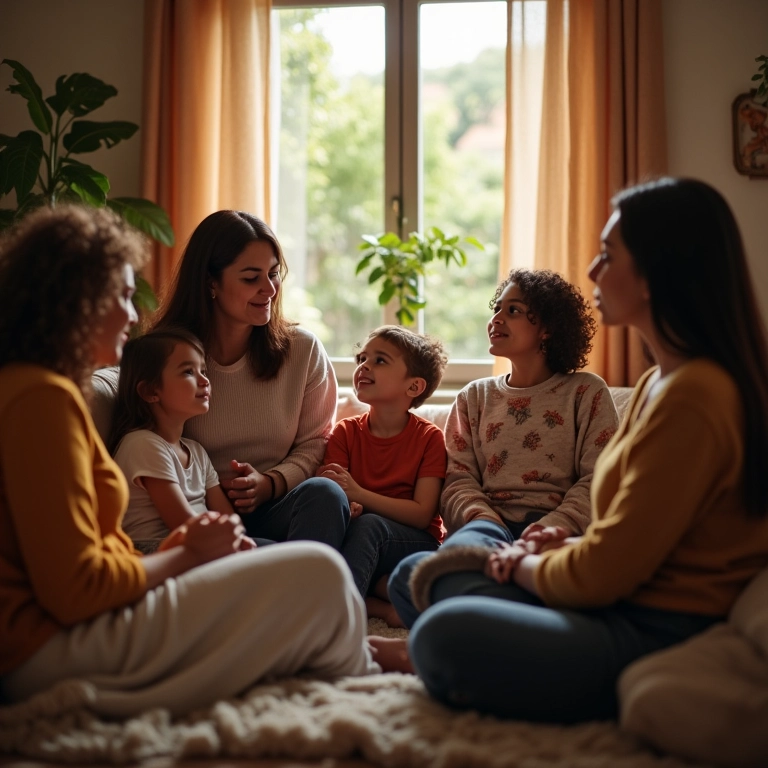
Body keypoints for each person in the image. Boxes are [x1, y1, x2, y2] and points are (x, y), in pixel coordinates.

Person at [371, 178, 768, 725]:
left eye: (608, 255)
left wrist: (530, 561)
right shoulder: (658, 382)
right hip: (608, 594)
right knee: (419, 573)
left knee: (441, 629)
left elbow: (607, 568)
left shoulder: (695, 396)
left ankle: (432, 653)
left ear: (656, 273)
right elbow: (619, 528)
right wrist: (541, 554)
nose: (593, 271)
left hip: (655, 625)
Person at [0, 205, 379, 717]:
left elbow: (85, 563)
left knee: (315, 563)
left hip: (90, 611)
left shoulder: (37, 390)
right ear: (76, 301)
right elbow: (77, 590)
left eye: (273, 276)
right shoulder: (41, 399)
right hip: (46, 643)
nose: (133, 317)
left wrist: (247, 500)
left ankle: (358, 652)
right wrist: (184, 552)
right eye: (123, 296)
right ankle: (356, 662)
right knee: (318, 575)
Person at [385, 268, 619, 629]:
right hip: (488, 527)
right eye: (497, 308)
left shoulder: (587, 392)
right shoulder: (474, 397)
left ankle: (473, 618)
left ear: (547, 327)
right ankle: (509, 614)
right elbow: (458, 480)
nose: (496, 318)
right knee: (409, 577)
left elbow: (600, 479)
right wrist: (483, 520)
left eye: (513, 310)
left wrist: (550, 529)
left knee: (574, 583)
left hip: (558, 533)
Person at [151, 210, 350, 548]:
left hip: (278, 506)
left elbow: (315, 443)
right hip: (197, 512)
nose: (269, 289)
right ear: (210, 282)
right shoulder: (167, 357)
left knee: (325, 494)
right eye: (250, 277)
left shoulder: (302, 350)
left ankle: (299, 589)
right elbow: (152, 446)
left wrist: (270, 483)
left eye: (274, 274)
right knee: (264, 553)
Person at [318, 326, 448, 627]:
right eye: (362, 358)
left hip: (413, 542)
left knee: (370, 526)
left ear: (414, 387)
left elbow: (421, 514)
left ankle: (332, 615)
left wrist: (360, 496)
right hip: (361, 539)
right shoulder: (345, 431)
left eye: (379, 360)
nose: (364, 366)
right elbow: (336, 490)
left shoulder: (429, 439)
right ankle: (381, 605)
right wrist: (348, 504)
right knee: (350, 531)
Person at [109, 327, 257, 550]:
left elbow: (228, 517)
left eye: (203, 371)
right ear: (150, 391)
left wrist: (239, 540)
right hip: (161, 550)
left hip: (203, 545)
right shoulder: (143, 444)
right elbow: (183, 525)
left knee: (291, 557)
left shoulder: (196, 451)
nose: (204, 381)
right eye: (188, 371)